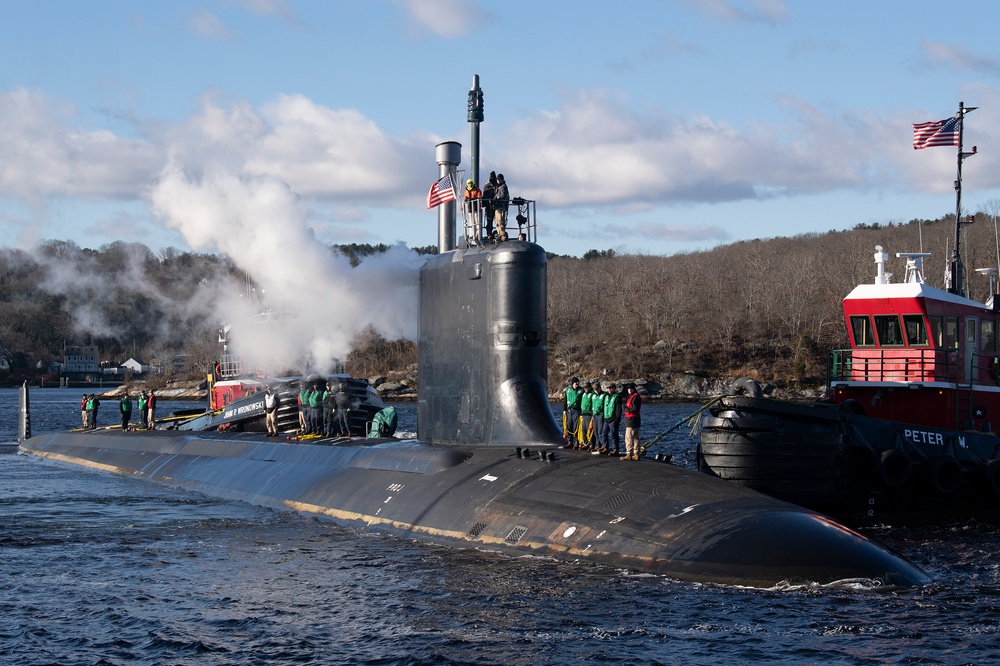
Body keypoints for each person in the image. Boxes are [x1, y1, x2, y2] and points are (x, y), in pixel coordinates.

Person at [600, 383, 622, 456]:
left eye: (611, 388)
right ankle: (606, 447)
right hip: (606, 418)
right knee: (604, 433)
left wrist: (616, 419)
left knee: (614, 434)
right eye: (608, 388)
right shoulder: (605, 396)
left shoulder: (617, 397)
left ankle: (616, 449)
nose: (609, 390)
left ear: (614, 389)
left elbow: (618, 409)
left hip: (613, 419)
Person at [622, 383, 642, 461]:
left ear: (633, 389)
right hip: (635, 419)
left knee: (629, 437)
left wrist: (626, 409)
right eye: (629, 389)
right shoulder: (635, 396)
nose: (630, 390)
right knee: (636, 437)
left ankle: (629, 454)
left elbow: (634, 408)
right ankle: (636, 453)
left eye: (631, 389)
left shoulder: (635, 397)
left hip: (632, 419)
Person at [562, 377, 582, 448]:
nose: (577, 383)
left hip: (577, 410)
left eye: (578, 382)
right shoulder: (568, 390)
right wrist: (564, 410)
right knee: (569, 426)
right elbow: (565, 400)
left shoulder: (581, 390)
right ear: (573, 383)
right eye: (576, 382)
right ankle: (570, 441)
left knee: (576, 427)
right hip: (569, 410)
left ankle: (577, 441)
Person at [590, 383, 605, 450]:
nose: (596, 391)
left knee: (600, 431)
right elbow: (591, 405)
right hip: (595, 414)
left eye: (597, 389)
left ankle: (603, 445)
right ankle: (597, 444)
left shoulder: (604, 395)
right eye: (594, 390)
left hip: (601, 414)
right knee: (595, 431)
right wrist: (592, 414)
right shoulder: (593, 395)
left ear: (599, 388)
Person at [482, 171, 498, 238]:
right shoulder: (487, 185)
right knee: (489, 220)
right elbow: (485, 195)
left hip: (496, 205)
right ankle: (489, 233)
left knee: (498, 220)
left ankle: (498, 233)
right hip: (489, 205)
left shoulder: (497, 185)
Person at [494, 173, 510, 238]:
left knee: (501, 221)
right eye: (497, 180)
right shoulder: (498, 187)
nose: (498, 181)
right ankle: (499, 233)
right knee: (497, 221)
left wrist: (497, 197)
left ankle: (502, 234)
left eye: (499, 179)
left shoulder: (503, 186)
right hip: (497, 207)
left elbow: (503, 195)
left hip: (501, 206)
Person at [580, 382, 594, 448]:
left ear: (590, 387)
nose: (585, 389)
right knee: (584, 430)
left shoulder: (592, 394)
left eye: (586, 387)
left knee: (590, 430)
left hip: (589, 415)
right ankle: (585, 443)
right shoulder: (584, 394)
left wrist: (592, 415)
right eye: (584, 388)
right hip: (583, 414)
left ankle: (591, 444)